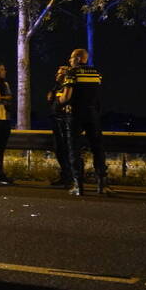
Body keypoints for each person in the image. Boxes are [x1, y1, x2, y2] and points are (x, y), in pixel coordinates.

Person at [57, 49, 110, 196]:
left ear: (79, 58)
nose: (69, 60)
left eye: (72, 57)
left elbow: (67, 97)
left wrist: (58, 101)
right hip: (92, 114)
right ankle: (101, 185)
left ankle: (78, 185)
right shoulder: (96, 73)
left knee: (74, 148)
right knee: (97, 148)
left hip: (75, 114)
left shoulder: (72, 73)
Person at [46, 65, 73, 187]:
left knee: (65, 150)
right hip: (56, 121)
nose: (57, 75)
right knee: (59, 150)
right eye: (57, 73)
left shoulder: (68, 87)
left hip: (64, 122)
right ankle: (65, 176)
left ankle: (70, 178)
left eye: (60, 73)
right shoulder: (57, 87)